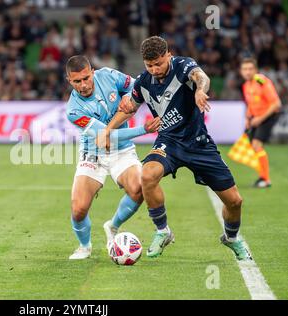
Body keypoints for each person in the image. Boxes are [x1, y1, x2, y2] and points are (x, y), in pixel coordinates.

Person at [102, 36, 252, 260]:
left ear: (168, 56)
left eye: (158, 64)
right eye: (149, 65)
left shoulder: (183, 66)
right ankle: (162, 231)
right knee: (147, 175)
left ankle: (231, 238)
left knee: (234, 201)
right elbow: (130, 108)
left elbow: (201, 77)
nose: (154, 69)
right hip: (169, 142)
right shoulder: (143, 82)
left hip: (198, 143)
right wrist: (107, 130)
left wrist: (200, 90)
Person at [65, 55, 160, 259]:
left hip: (122, 150)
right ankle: (84, 246)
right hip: (93, 152)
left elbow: (136, 85)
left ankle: (113, 226)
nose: (83, 85)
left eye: (86, 78)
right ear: (69, 81)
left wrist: (128, 95)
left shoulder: (107, 75)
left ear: (92, 72)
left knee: (138, 188)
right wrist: (143, 129)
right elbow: (108, 134)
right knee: (79, 208)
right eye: (77, 81)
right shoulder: (73, 110)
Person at [240, 57, 282, 188]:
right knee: (254, 146)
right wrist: (248, 118)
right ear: (241, 71)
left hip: (269, 115)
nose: (247, 72)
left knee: (257, 144)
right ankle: (262, 176)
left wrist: (260, 119)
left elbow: (276, 104)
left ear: (256, 70)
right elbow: (251, 104)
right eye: (245, 69)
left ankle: (265, 179)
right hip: (256, 118)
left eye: (250, 69)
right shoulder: (246, 85)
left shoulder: (262, 82)